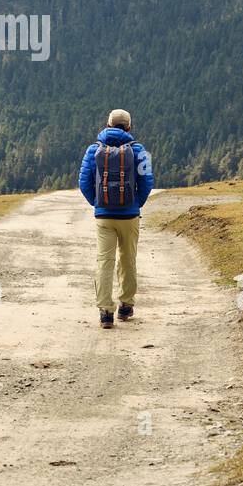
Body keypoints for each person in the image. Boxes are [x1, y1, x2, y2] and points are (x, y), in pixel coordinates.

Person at [78, 109, 154, 329]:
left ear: (108, 124)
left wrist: (98, 203)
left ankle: (105, 312)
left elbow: (83, 183)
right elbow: (147, 182)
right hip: (130, 216)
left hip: (104, 217)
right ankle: (126, 305)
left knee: (104, 261)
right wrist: (135, 204)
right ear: (129, 127)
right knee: (128, 259)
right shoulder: (140, 151)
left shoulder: (93, 150)